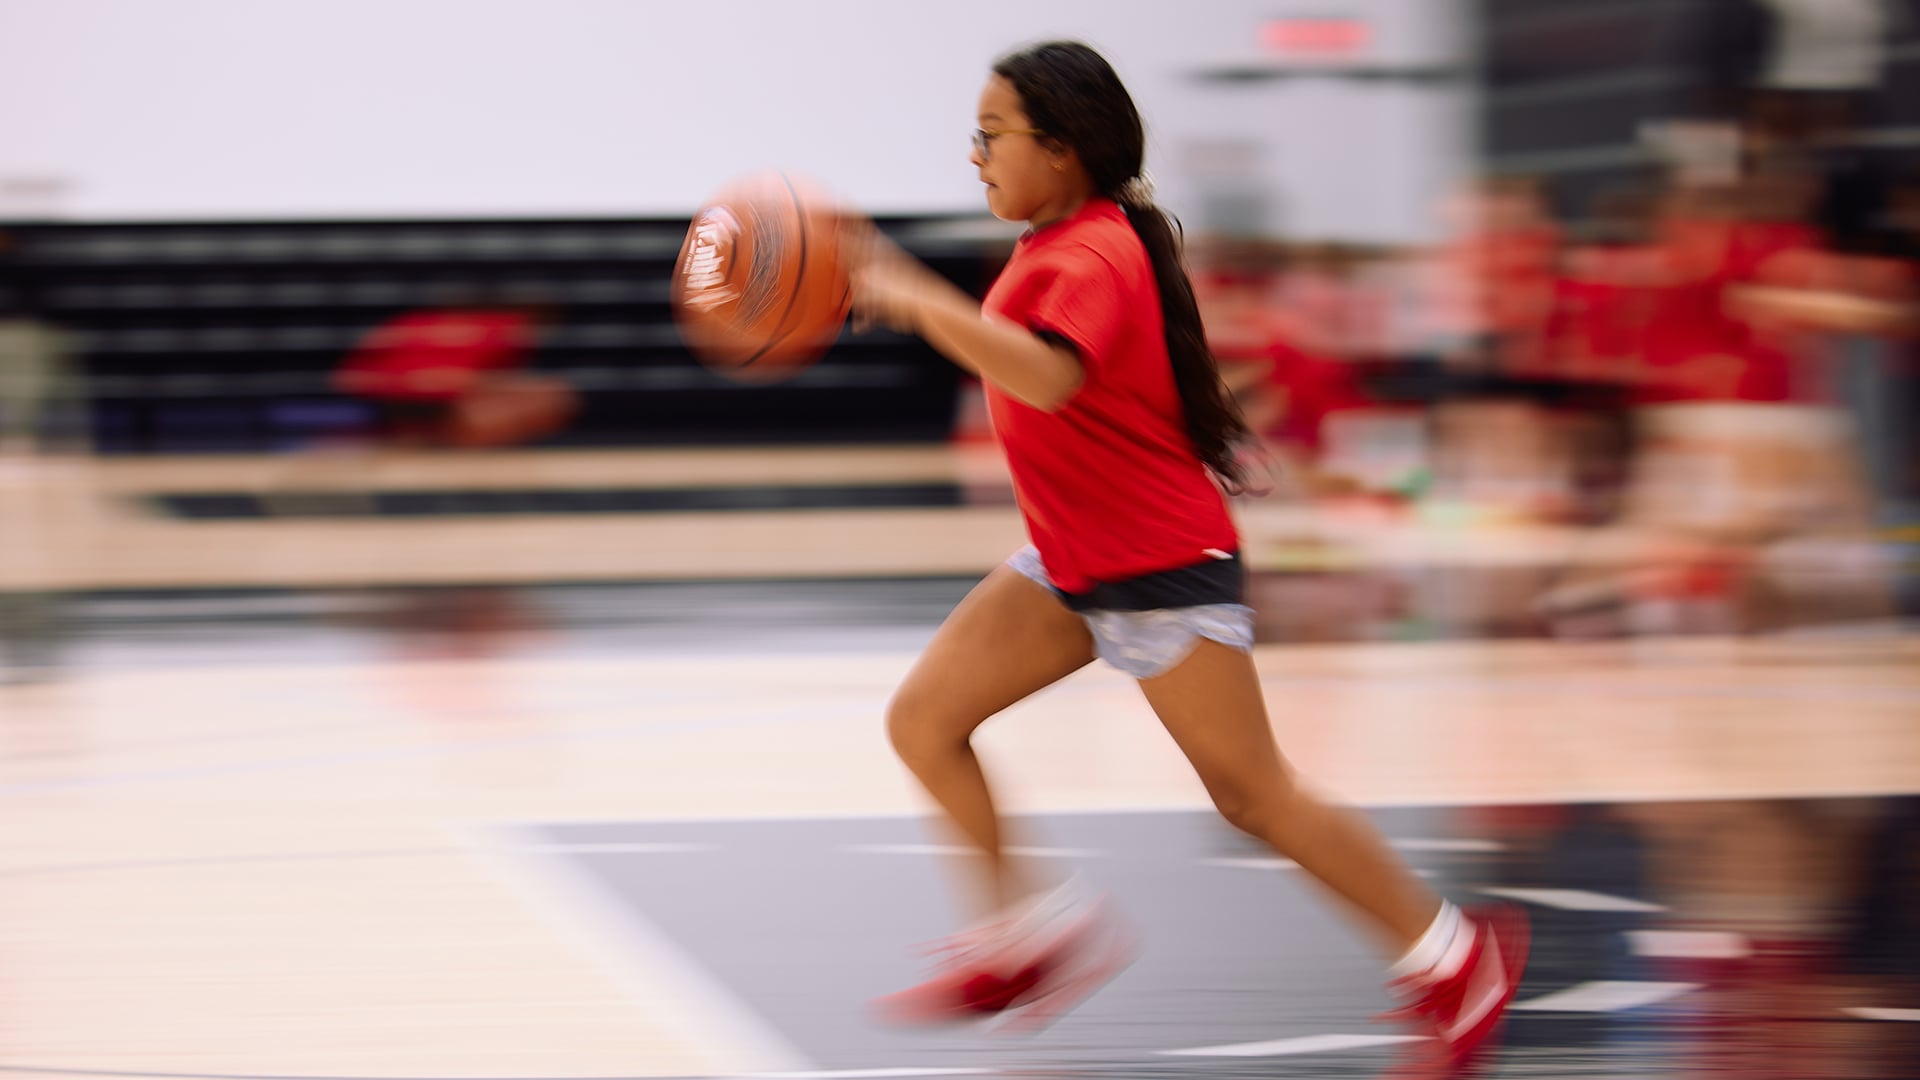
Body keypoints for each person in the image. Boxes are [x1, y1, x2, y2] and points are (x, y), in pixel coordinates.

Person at [840, 40, 1529, 1074]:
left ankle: (1456, 955)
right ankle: (1021, 941)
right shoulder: (1053, 242)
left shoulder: (1097, 250)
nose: (974, 155)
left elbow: (1048, 380)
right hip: (1074, 562)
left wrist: (916, 299)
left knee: (1256, 796)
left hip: (1158, 564)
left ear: (1063, 150)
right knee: (926, 719)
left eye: (992, 136)